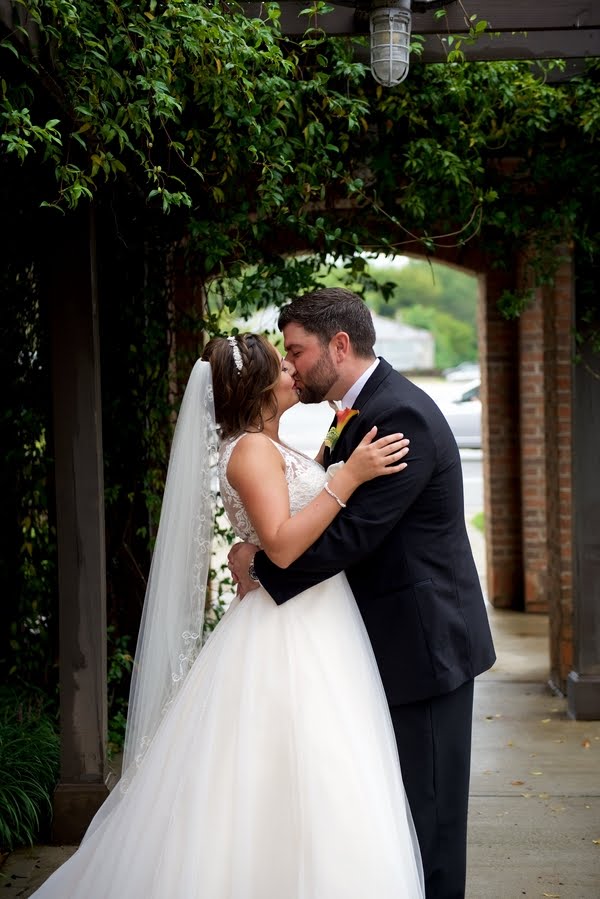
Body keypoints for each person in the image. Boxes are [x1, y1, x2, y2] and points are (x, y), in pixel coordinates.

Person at [31, 333, 425, 898]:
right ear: (258, 386)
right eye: (282, 364)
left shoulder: (270, 445)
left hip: (318, 615)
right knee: (299, 763)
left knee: (328, 764)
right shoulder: (250, 451)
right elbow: (286, 545)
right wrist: (348, 477)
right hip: (288, 628)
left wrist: (285, 513)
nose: (293, 370)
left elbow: (281, 517)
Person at [229, 290, 497, 899]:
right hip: (384, 639)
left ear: (339, 346)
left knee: (430, 822)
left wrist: (264, 568)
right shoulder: (359, 409)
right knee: (396, 815)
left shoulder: (398, 415)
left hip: (424, 646)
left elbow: (356, 535)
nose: (291, 366)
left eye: (297, 351)